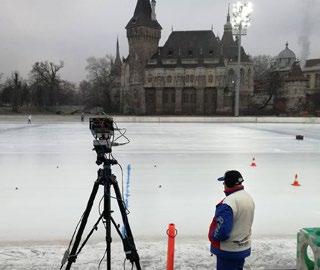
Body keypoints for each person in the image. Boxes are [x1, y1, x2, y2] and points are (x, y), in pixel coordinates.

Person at [208, 170, 255, 270]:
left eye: (224, 182)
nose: (223, 185)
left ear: (228, 184)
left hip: (228, 250)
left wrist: (213, 237)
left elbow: (223, 232)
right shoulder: (248, 197)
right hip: (243, 247)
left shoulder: (228, 203)